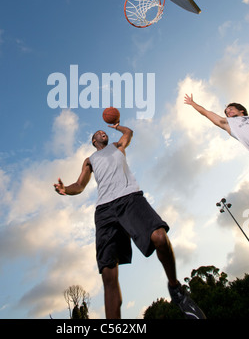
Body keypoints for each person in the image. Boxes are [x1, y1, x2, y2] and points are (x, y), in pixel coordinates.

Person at [54, 122, 206, 319]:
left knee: (159, 237)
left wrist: (117, 125)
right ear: (93, 141)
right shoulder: (89, 160)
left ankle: (176, 289)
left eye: (103, 132)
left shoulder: (118, 146)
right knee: (108, 274)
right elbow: (80, 185)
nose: (102, 133)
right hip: (104, 211)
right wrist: (66, 189)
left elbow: (129, 132)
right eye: (98, 133)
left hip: (130, 198)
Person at [184, 94, 249, 152]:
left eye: (230, 109)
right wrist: (192, 103)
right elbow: (206, 113)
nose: (228, 111)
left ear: (241, 110)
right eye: (227, 113)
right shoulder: (230, 124)